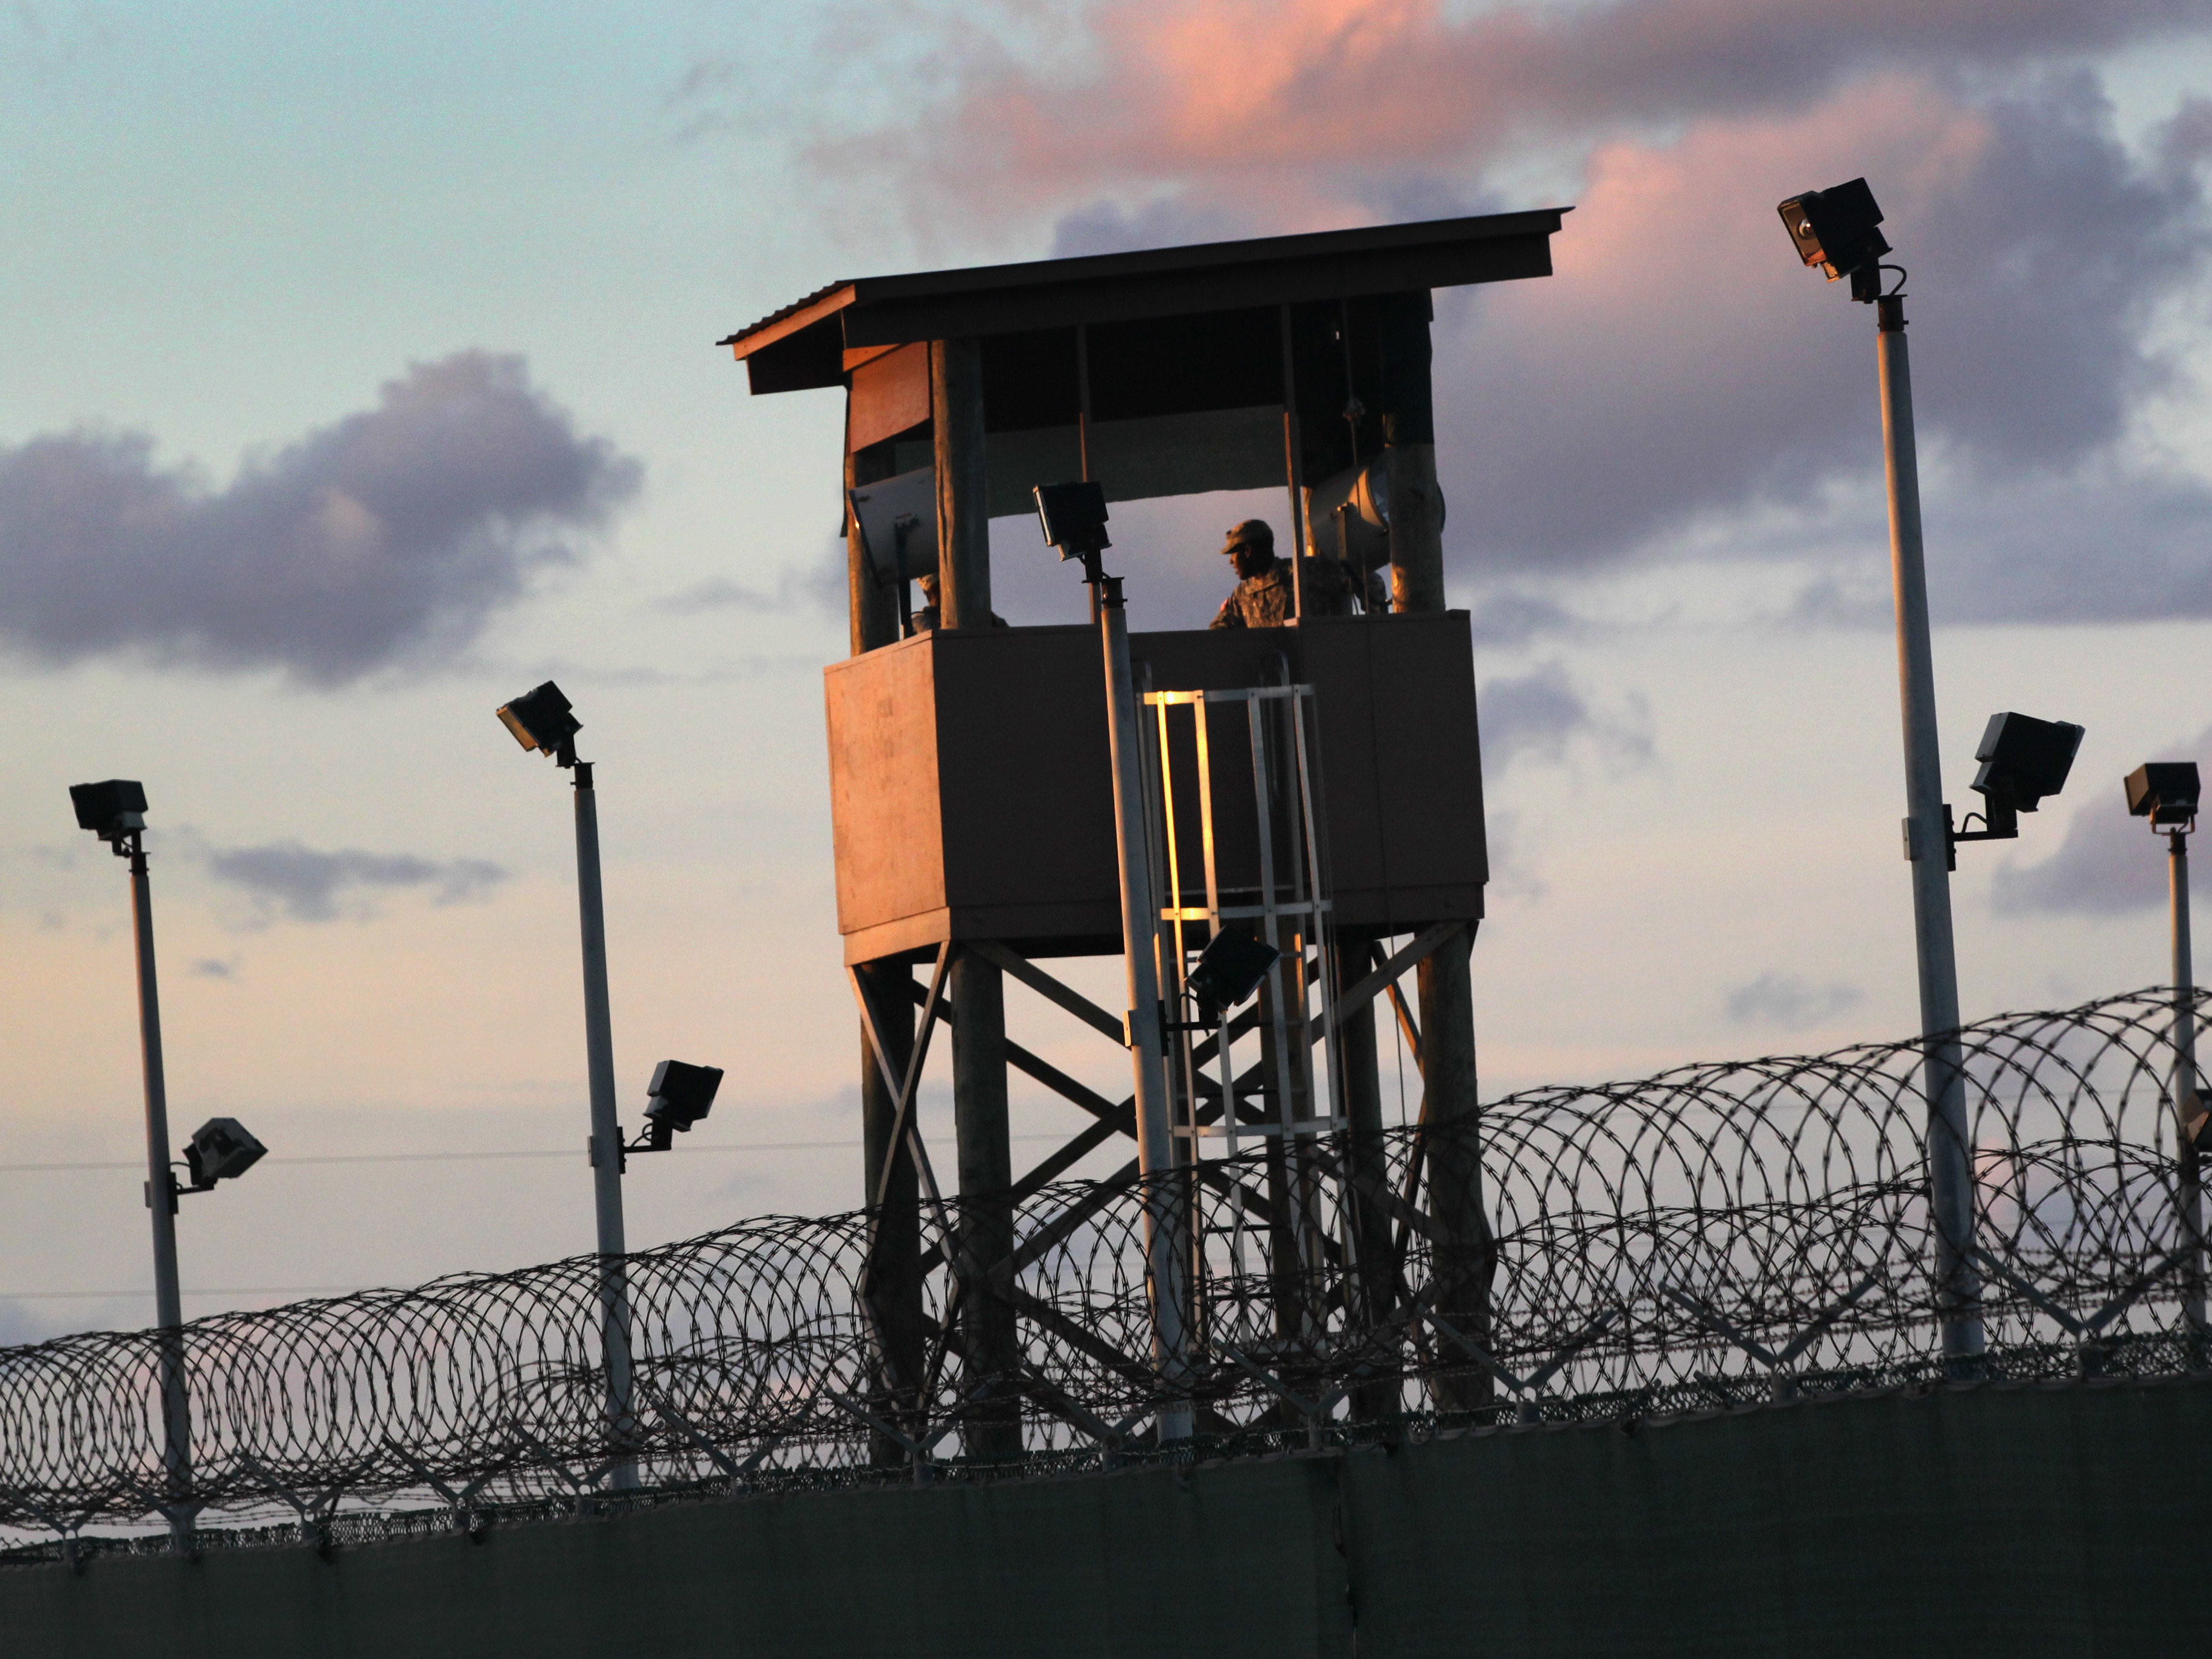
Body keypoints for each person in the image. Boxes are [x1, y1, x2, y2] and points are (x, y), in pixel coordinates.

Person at [1207, 519, 1356, 629]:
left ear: (1248, 551)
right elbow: (1217, 633)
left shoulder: (1303, 572)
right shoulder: (1242, 594)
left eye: (1233, 554)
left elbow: (1364, 578)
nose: (1231, 562)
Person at [913, 572, 1007, 633]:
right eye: (937, 589)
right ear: (927, 592)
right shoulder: (920, 620)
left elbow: (1007, 633)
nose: (944, 592)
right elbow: (939, 640)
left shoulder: (977, 613)